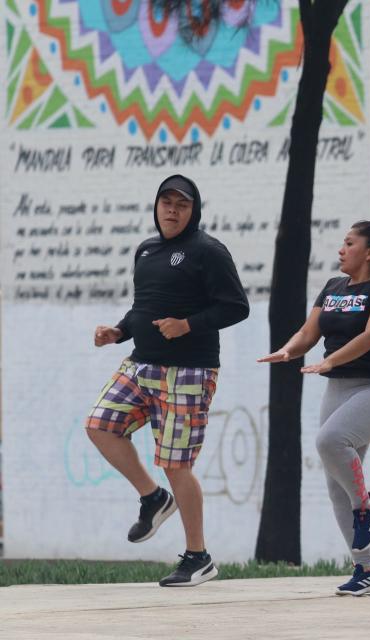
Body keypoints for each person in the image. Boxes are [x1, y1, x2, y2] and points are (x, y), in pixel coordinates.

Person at [87, 174, 250, 587]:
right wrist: (119, 332)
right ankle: (153, 497)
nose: (172, 210)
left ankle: (199, 557)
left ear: (194, 211)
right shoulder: (147, 249)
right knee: (100, 426)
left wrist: (189, 325)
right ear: (156, 205)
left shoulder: (209, 251)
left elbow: (237, 307)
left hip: (189, 372)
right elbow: (145, 305)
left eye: (182, 204)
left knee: (177, 464)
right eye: (166, 202)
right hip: (141, 364)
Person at [258, 221, 370, 596]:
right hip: (338, 389)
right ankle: (367, 569)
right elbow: (309, 332)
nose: (341, 249)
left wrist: (331, 361)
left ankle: (368, 508)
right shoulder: (334, 288)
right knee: (336, 488)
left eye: (349, 243)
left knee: (330, 441)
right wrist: (290, 350)